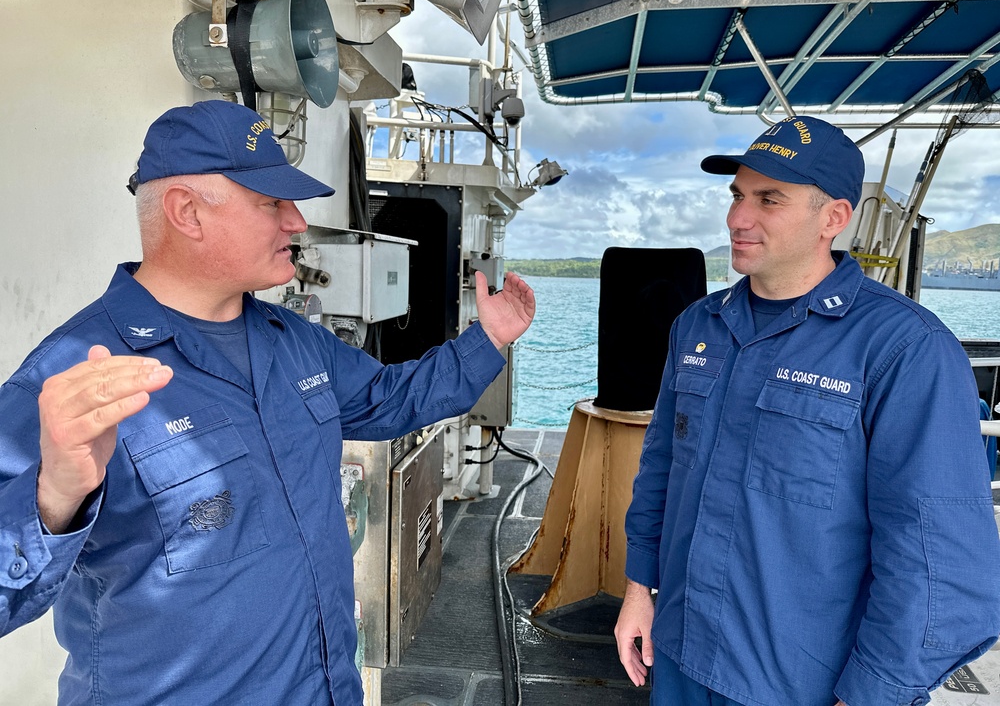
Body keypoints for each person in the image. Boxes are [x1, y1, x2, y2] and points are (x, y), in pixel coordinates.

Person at [0, 99, 535, 704]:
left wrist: (486, 342)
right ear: (188, 212)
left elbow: (391, 399)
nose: (298, 222)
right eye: (271, 203)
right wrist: (53, 498)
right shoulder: (70, 380)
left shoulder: (295, 342)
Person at [614, 115, 1000, 706]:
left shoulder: (904, 348)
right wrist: (640, 587)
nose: (737, 218)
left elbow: (936, 554)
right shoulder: (699, 325)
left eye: (770, 199)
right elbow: (663, 466)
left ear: (834, 219)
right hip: (683, 652)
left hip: (801, 682)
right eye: (738, 195)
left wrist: (873, 692)